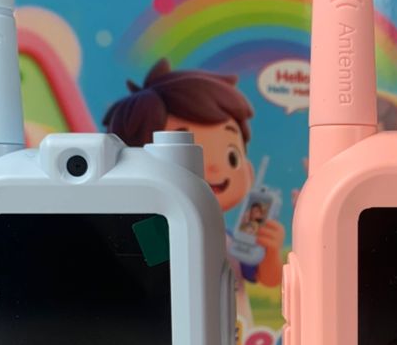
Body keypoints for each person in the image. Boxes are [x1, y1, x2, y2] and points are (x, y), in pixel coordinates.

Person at [103, 59, 285, 309]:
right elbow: (147, 278)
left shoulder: (232, 241)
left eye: (232, 156)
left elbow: (269, 280)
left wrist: (271, 252)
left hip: (238, 329)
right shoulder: (151, 232)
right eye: (191, 155)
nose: (215, 169)